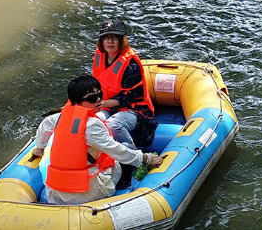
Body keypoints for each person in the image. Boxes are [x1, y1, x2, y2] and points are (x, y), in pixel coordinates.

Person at [31, 75, 163, 205]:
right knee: (121, 154)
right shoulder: (91, 125)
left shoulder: (59, 118)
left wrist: (40, 148)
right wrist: (147, 158)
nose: (99, 99)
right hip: (84, 194)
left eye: (100, 94)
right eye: (93, 98)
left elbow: (44, 125)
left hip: (55, 194)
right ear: (77, 101)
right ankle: (122, 188)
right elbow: (118, 151)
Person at [92, 19, 157, 156]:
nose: (110, 42)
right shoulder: (100, 56)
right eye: (106, 38)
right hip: (108, 106)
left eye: (114, 38)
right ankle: (98, 155)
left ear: (121, 40)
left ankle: (136, 156)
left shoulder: (130, 65)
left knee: (112, 125)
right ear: (102, 41)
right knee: (93, 120)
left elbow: (126, 99)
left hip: (134, 110)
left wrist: (98, 103)